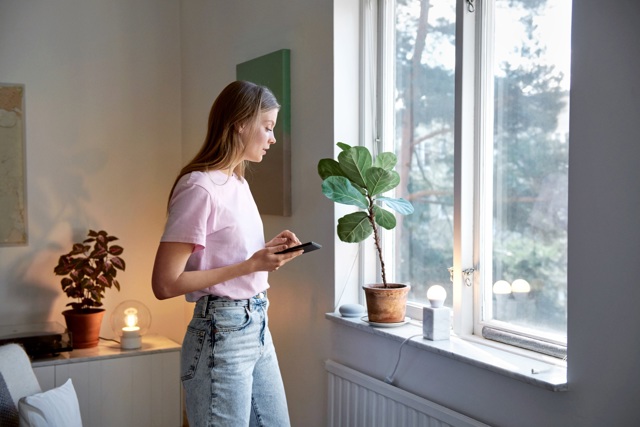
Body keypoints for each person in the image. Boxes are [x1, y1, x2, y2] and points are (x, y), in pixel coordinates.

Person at [152, 80, 302, 426]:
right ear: (240, 124)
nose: (273, 138)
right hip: (221, 332)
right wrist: (250, 264)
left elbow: (227, 258)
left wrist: (264, 254)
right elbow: (164, 283)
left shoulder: (238, 183)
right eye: (267, 127)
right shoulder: (198, 187)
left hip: (257, 324)